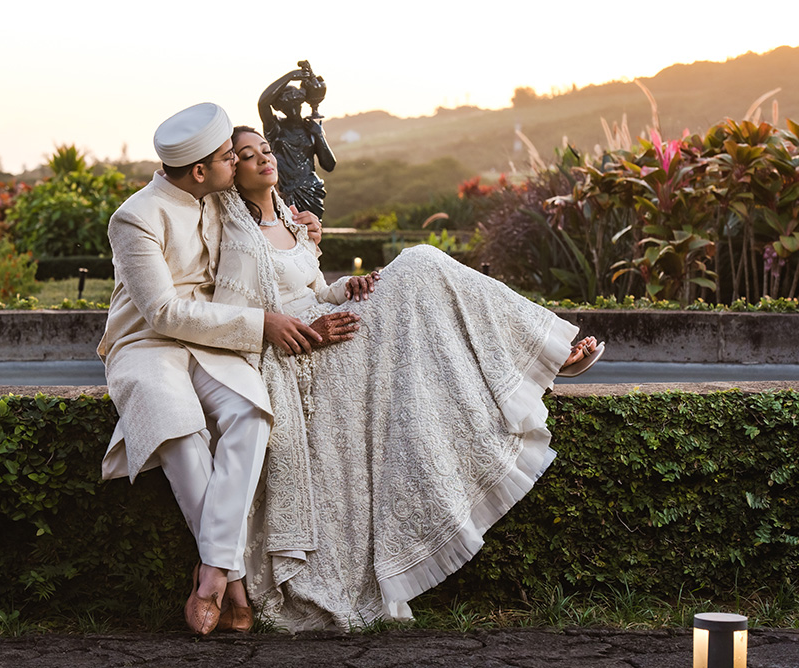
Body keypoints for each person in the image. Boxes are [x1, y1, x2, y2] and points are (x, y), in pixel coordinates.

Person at [212, 126, 603, 631]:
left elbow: (314, 291)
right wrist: (310, 331)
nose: (263, 158)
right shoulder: (238, 237)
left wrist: (345, 288)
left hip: (331, 325)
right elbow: (243, 319)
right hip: (305, 355)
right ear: (233, 173)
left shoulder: (293, 221)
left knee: (423, 273)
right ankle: (543, 352)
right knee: (420, 263)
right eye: (246, 156)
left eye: (265, 149)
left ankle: (538, 351)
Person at [96, 104, 344, 635]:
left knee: (251, 414)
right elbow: (163, 312)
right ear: (200, 171)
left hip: (214, 340)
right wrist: (260, 325)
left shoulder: (219, 196)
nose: (238, 162)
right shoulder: (136, 217)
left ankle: (209, 571)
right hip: (148, 344)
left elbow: (269, 231)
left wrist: (305, 228)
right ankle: (231, 584)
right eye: (230, 157)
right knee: (179, 430)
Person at [258, 66, 336, 219]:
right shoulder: (275, 128)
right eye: (287, 105)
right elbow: (262, 103)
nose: (292, 109)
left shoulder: (311, 128)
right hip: (284, 191)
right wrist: (291, 76)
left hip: (311, 189)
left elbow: (329, 165)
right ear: (280, 107)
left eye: (295, 104)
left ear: (301, 102)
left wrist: (319, 135)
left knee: (311, 230)